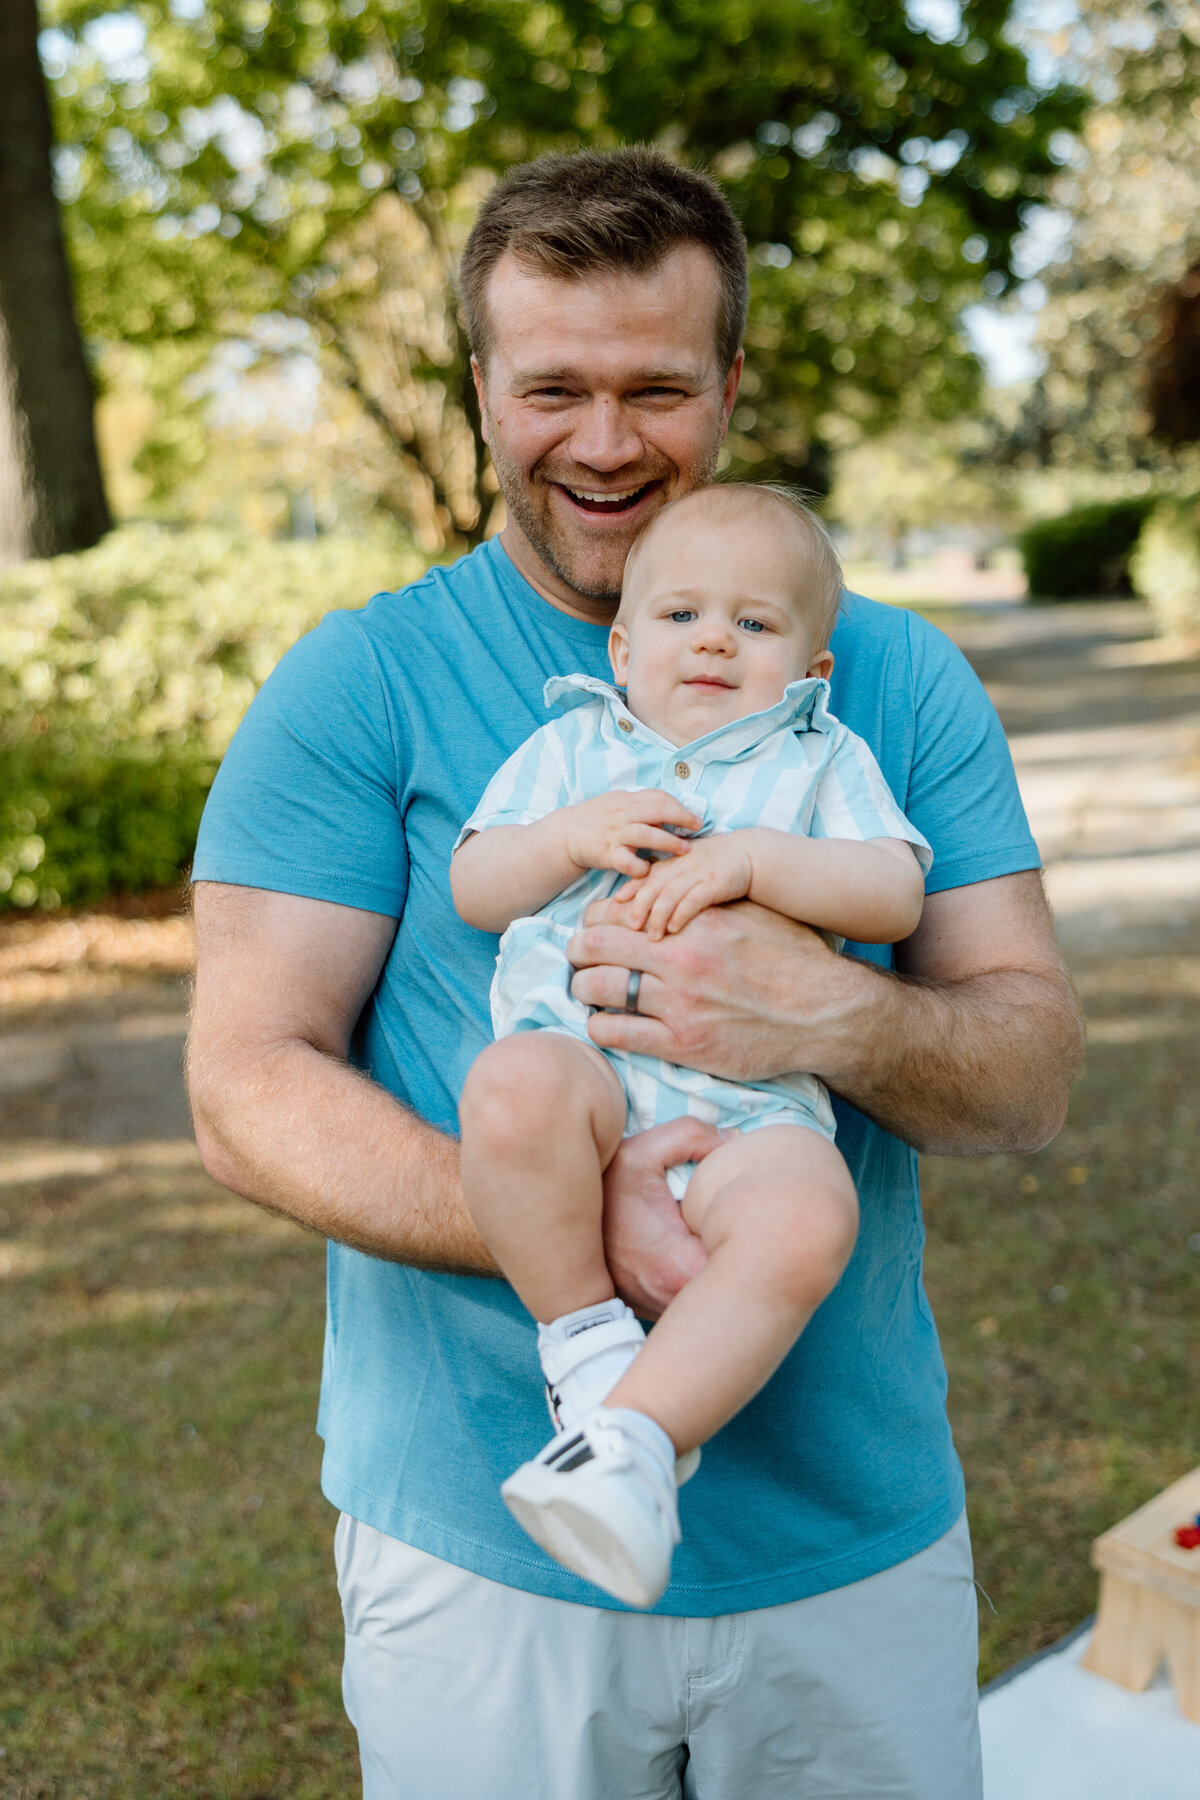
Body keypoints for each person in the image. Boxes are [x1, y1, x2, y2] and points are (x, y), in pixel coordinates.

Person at [187, 146, 1084, 1799]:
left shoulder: (888, 680)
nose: (604, 445)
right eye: (553, 389)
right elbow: (248, 1088)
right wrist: (593, 1230)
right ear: (480, 387)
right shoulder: (365, 682)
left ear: (732, 382)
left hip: (846, 1532)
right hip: (479, 1541)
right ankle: (609, 1404)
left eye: (658, 387)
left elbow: (1026, 1070)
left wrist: (834, 1010)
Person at [452, 483, 930, 1608]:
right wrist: (568, 836)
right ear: (621, 649)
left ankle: (630, 1446)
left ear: (809, 674)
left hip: (749, 1106)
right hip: (583, 1063)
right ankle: (586, 1350)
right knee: (510, 1093)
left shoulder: (821, 761)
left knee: (810, 1218)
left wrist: (761, 860)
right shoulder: (572, 747)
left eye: (756, 624)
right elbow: (478, 883)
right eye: (680, 617)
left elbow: (895, 890)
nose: (715, 637)